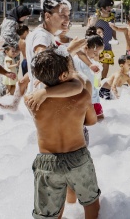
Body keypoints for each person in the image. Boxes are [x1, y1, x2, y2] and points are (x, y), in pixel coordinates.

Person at [29, 48, 100, 219]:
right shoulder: (82, 95)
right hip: (78, 157)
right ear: (64, 75)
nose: (74, 70)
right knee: (90, 201)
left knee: (49, 211)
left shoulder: (31, 100)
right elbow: (91, 121)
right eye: (71, 67)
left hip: (47, 162)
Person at [0, 0, 87, 112]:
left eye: (68, 15)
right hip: (44, 99)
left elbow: (31, 71)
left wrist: (16, 100)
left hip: (42, 97)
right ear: (47, 16)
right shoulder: (42, 36)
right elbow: (44, 64)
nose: (67, 20)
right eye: (62, 15)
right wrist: (71, 49)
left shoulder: (43, 33)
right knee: (79, 86)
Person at [0, 5, 30, 95]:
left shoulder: (11, 20)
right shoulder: (11, 22)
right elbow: (6, 36)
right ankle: (4, 94)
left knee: (10, 73)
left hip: (11, 52)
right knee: (7, 73)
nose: (26, 18)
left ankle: (7, 93)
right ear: (20, 14)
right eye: (25, 15)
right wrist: (17, 46)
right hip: (8, 53)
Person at [73, 35, 105, 120]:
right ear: (86, 48)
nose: (96, 56)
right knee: (96, 120)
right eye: (95, 53)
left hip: (89, 98)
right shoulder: (82, 62)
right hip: (88, 99)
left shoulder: (89, 60)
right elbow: (89, 82)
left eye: (99, 53)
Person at [88, 0, 117, 79]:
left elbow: (113, 29)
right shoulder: (96, 17)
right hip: (96, 45)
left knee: (106, 63)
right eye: (108, 7)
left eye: (110, 7)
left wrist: (115, 38)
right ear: (102, 7)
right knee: (95, 63)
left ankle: (103, 79)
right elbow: (89, 28)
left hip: (107, 44)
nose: (110, 9)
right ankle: (95, 80)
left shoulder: (112, 17)